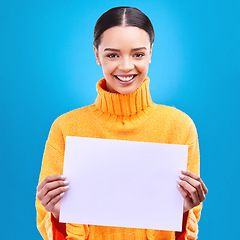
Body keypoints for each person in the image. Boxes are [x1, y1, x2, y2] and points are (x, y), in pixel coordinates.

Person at [36, 6, 208, 240]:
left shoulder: (179, 126)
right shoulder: (66, 128)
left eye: (137, 54)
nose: (126, 66)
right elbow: (47, 225)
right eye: (112, 54)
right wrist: (58, 215)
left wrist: (183, 213)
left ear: (150, 53)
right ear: (97, 54)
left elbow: (188, 229)